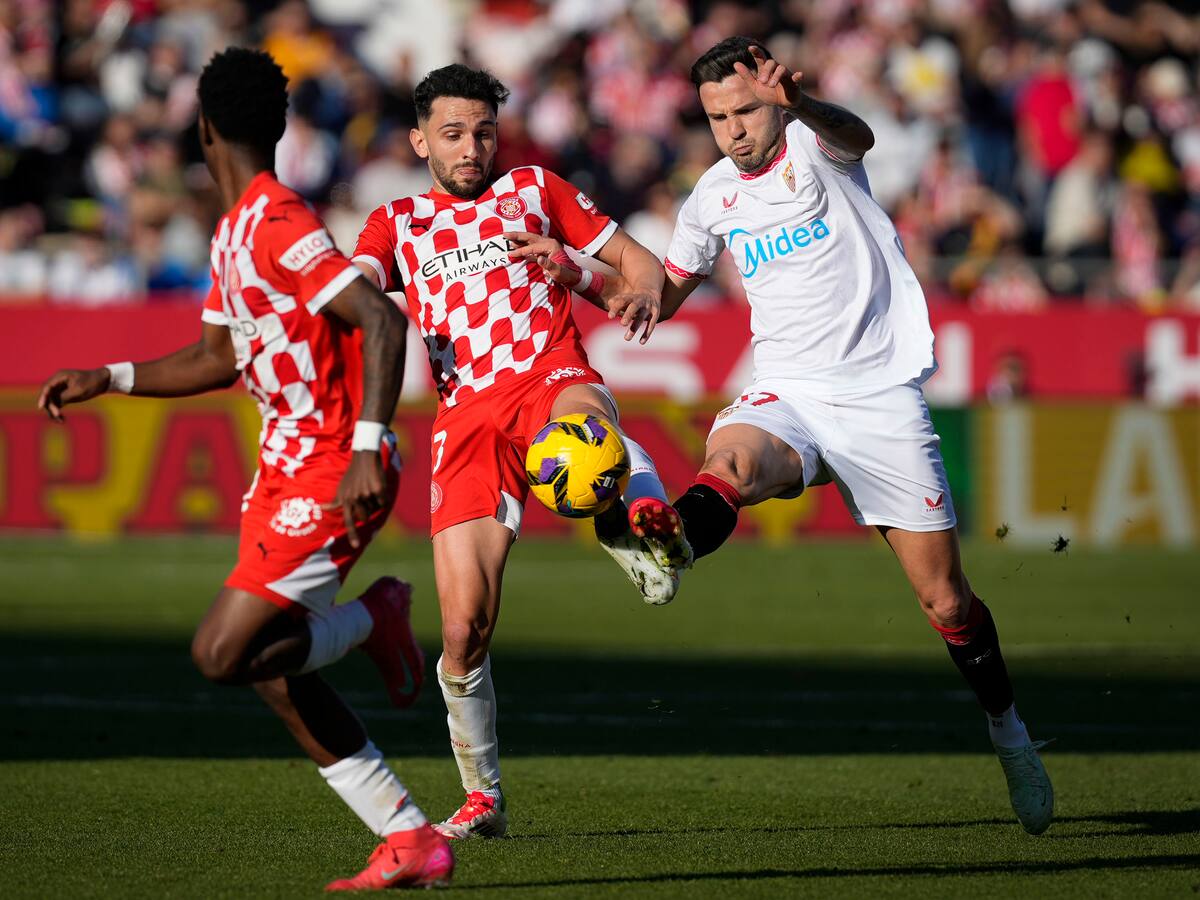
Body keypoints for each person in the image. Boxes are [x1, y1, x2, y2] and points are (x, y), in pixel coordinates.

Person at [549, 37, 1055, 836]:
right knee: (730, 461)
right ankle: (670, 541)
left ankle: (1010, 733)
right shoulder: (711, 198)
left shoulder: (818, 147)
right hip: (787, 390)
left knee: (946, 600)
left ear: (774, 100)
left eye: (745, 111)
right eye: (717, 117)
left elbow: (861, 136)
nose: (733, 130)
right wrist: (577, 274)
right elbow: (663, 294)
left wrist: (803, 105)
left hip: (879, 398)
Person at [36, 48, 454, 889]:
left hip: (334, 466)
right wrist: (108, 377)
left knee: (223, 653)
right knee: (270, 670)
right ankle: (409, 838)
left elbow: (380, 320)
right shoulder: (234, 232)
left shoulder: (277, 222)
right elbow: (216, 357)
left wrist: (368, 444)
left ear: (203, 129)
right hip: (282, 474)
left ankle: (374, 617)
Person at [349, 63, 690, 840]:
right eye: (452, 134)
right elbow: (357, 285)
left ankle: (642, 516)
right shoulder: (397, 222)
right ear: (420, 142)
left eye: (483, 132)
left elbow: (638, 266)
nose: (471, 148)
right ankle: (484, 799)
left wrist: (599, 277)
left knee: (585, 432)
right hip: (465, 418)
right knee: (463, 631)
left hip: (547, 374)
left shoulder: (535, 188)